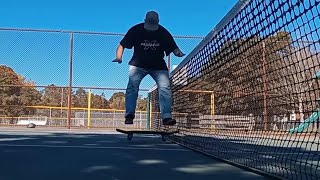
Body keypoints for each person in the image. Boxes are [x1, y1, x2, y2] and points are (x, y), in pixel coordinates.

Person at [112, 10, 185, 125]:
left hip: (158, 66)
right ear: (144, 21)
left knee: (165, 88)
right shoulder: (136, 30)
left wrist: (178, 53)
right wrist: (119, 57)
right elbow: (122, 45)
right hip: (138, 65)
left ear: (158, 22)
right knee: (132, 87)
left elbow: (173, 47)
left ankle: (166, 117)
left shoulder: (163, 32)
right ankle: (129, 115)